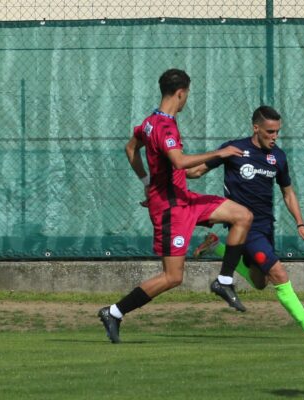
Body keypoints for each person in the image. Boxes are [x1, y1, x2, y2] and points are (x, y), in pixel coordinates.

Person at [98, 68, 254, 344]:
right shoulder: (165, 127)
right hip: (171, 209)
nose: (186, 100)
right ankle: (114, 312)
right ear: (181, 93)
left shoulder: (149, 122)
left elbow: (130, 149)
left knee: (242, 215)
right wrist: (219, 152)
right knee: (173, 277)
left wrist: (147, 181)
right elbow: (179, 162)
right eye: (187, 95)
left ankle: (225, 281)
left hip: (185, 199)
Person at [187, 105, 304, 340]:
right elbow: (197, 171)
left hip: (265, 227)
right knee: (279, 274)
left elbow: (288, 193)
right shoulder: (235, 149)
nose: (274, 137)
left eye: (277, 132)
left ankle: (217, 247)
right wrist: (167, 179)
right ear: (256, 128)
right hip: (243, 227)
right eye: (269, 132)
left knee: (260, 282)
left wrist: (301, 224)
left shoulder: (278, 157)